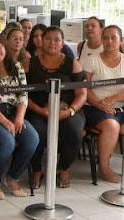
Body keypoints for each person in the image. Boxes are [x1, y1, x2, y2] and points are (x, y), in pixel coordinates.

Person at [25, 26, 86, 188]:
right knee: (36, 132)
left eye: (56, 40)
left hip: (67, 109)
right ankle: (37, 170)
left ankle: (64, 169)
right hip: (38, 110)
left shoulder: (73, 64)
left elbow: (82, 94)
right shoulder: (30, 63)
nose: (52, 43)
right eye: (48, 38)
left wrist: (70, 111)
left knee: (74, 130)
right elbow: (22, 94)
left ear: (62, 43)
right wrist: (40, 110)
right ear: (41, 41)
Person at [82, 25, 124, 183]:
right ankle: (104, 168)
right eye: (105, 38)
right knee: (112, 126)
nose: (109, 41)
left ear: (121, 40)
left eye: (113, 38)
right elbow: (84, 88)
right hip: (95, 108)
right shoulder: (91, 60)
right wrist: (100, 104)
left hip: (121, 108)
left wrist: (115, 98)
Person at [0, 33, 38, 198]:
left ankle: (13, 177)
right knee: (8, 142)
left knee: (32, 139)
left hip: (15, 111)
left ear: (4, 46)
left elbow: (23, 94)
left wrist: (19, 118)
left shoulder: (17, 66)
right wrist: (5, 121)